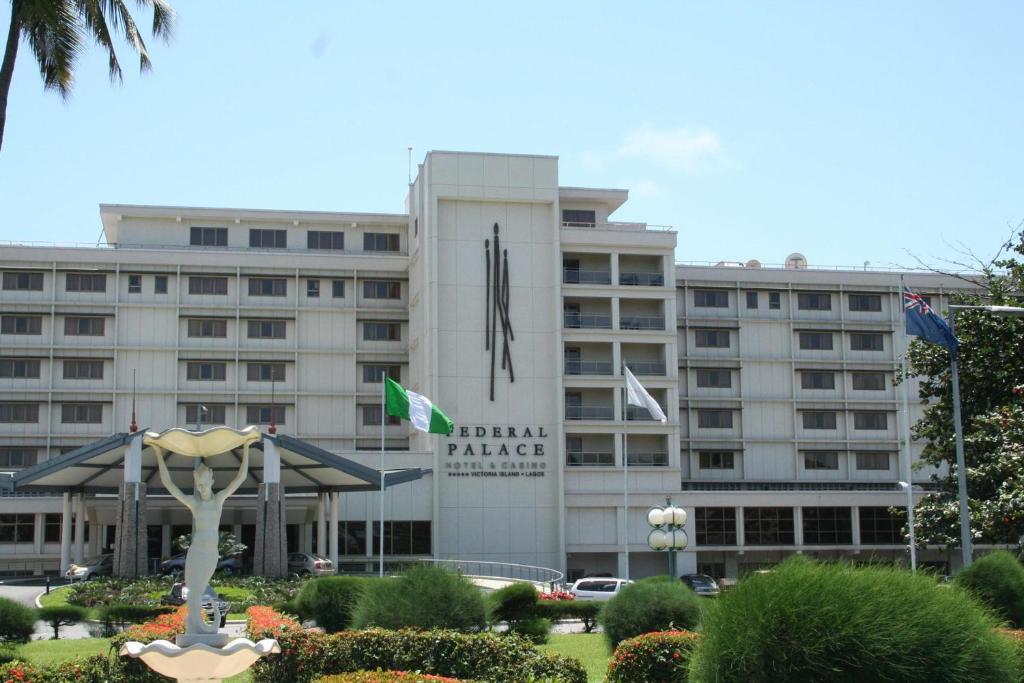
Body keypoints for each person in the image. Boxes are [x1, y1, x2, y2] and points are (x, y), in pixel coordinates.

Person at [155, 448, 248, 634]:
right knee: (194, 591)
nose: (202, 488)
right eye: (199, 485)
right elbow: (168, 483)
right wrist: (158, 453)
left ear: (212, 481)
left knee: (200, 588)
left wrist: (246, 448)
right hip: (196, 552)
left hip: (211, 554)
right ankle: (195, 626)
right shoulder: (194, 503)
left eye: (205, 484)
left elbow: (240, 478)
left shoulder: (219, 500)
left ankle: (202, 626)